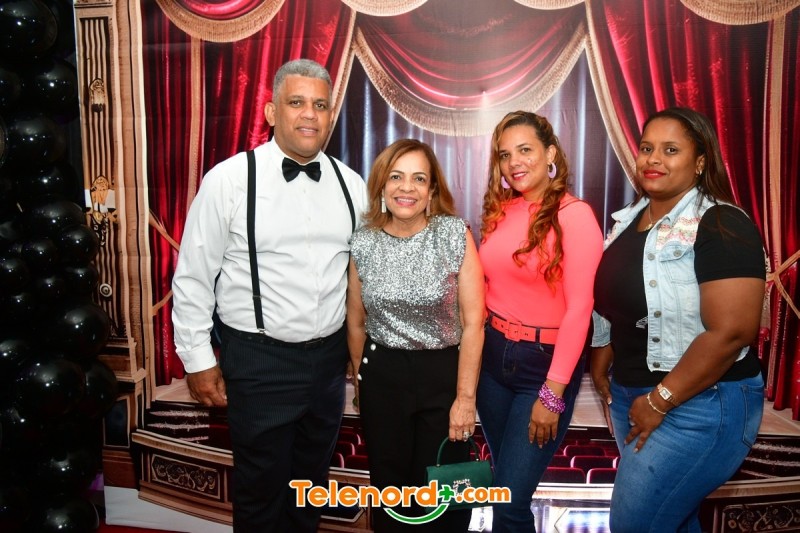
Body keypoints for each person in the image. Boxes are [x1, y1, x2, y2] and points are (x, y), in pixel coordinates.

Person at [171, 58, 368, 533]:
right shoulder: (228, 180)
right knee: (260, 497)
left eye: (320, 105)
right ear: (271, 111)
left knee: (308, 491)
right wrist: (197, 359)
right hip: (259, 363)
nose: (309, 114)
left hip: (327, 364)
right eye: (296, 102)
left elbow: (362, 278)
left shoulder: (351, 184)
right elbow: (194, 275)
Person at [590, 107, 766, 532]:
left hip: (698, 403)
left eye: (671, 150)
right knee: (673, 521)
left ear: (700, 162)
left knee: (634, 525)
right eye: (647, 148)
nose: (654, 159)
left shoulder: (722, 222)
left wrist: (659, 401)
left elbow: (732, 333)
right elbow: (617, 301)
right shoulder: (629, 220)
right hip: (634, 396)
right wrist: (602, 356)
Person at [346, 139, 485, 532]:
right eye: (396, 177)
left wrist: (465, 399)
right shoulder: (364, 241)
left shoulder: (453, 233)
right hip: (382, 379)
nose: (406, 187)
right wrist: (362, 382)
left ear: (431, 190)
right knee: (391, 494)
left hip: (443, 380)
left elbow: (474, 322)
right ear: (382, 185)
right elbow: (355, 322)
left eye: (418, 179)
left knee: (444, 497)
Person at [476, 111, 603, 532]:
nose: (514, 162)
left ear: (550, 153)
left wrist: (553, 394)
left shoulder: (575, 215)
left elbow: (580, 309)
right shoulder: (501, 210)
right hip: (492, 360)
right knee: (503, 488)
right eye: (505, 154)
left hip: (542, 367)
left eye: (525, 150)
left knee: (510, 502)